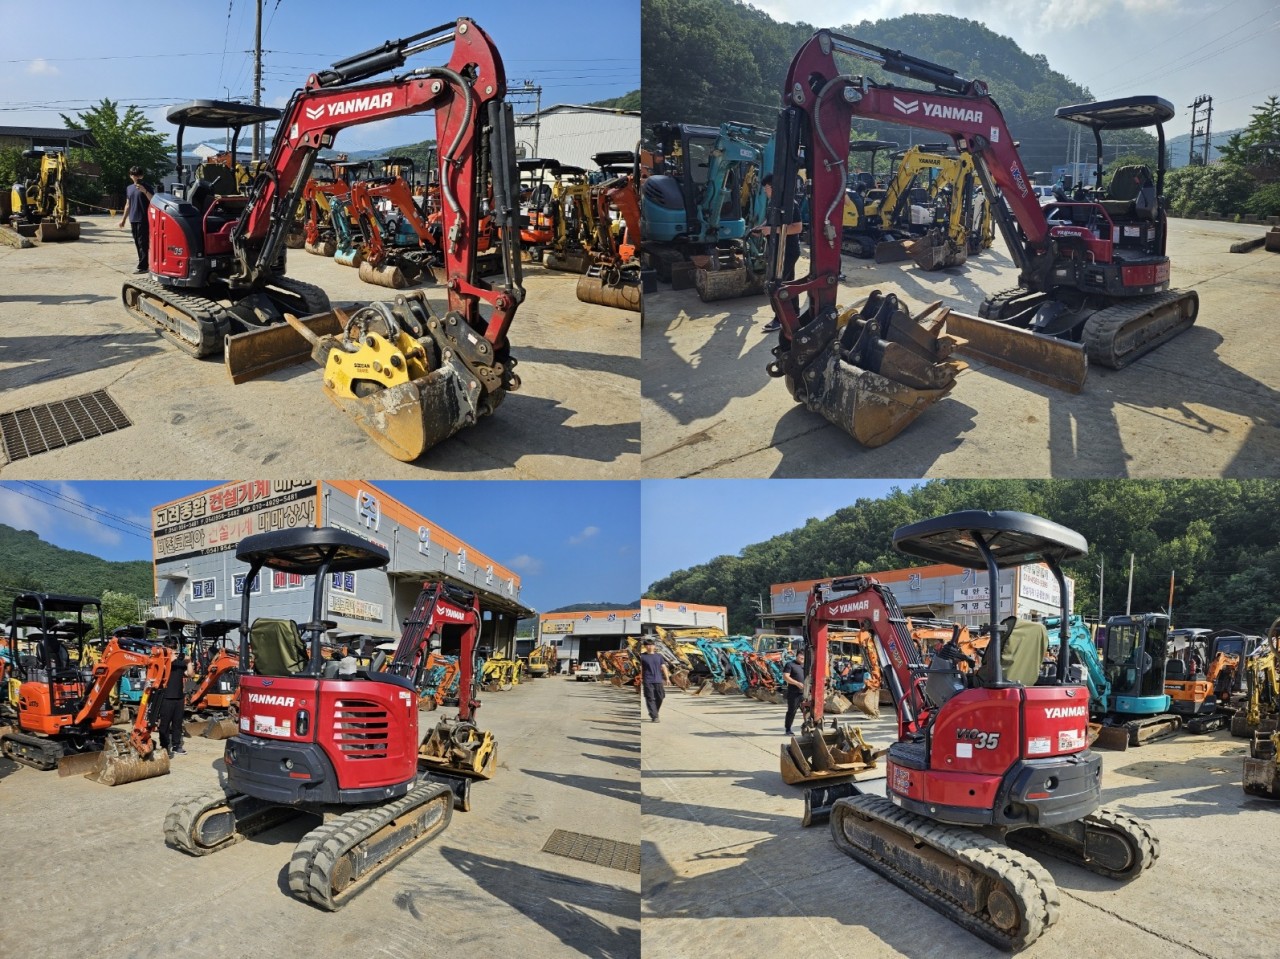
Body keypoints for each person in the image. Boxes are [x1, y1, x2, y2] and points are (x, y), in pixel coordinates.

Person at [758, 173, 804, 333]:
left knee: (775, 284)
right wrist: (761, 228)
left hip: (787, 251)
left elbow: (797, 227)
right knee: (789, 283)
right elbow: (769, 221)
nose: (765, 191)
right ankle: (795, 313)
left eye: (766, 188)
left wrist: (772, 230)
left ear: (774, 187)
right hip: (777, 249)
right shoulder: (773, 204)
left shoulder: (790, 204)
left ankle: (779, 319)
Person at [158, 638, 194, 757]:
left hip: (179, 697)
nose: (173, 651)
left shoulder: (179, 662)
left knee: (178, 723)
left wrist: (189, 662)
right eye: (171, 649)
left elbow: (190, 674)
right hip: (166, 696)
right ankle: (164, 746)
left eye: (174, 648)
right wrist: (170, 659)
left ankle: (176, 745)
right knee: (164, 724)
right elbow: (161, 671)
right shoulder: (161, 661)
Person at [118, 166, 153, 273]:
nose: (136, 177)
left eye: (138, 175)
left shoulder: (147, 186)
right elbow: (128, 204)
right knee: (137, 242)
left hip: (144, 218)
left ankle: (143, 266)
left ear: (142, 176)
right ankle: (142, 262)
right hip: (133, 218)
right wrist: (123, 219)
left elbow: (153, 200)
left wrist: (145, 191)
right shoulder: (129, 188)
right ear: (131, 176)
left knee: (143, 242)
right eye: (134, 175)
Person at [639, 637, 670, 723]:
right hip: (648, 680)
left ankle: (654, 711)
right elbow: (640, 669)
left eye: (651, 645)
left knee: (661, 697)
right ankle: (654, 716)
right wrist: (639, 679)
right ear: (645, 646)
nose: (649, 647)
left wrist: (667, 678)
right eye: (647, 645)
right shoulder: (642, 656)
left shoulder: (659, 656)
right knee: (650, 698)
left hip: (658, 680)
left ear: (654, 646)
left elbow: (664, 667)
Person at [783, 648, 806, 736]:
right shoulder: (790, 664)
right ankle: (788, 729)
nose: (802, 658)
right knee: (792, 711)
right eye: (800, 657)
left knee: (808, 711)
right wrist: (796, 683)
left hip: (805, 693)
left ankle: (809, 728)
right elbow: (785, 676)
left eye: (803, 657)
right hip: (794, 693)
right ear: (796, 656)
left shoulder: (806, 666)